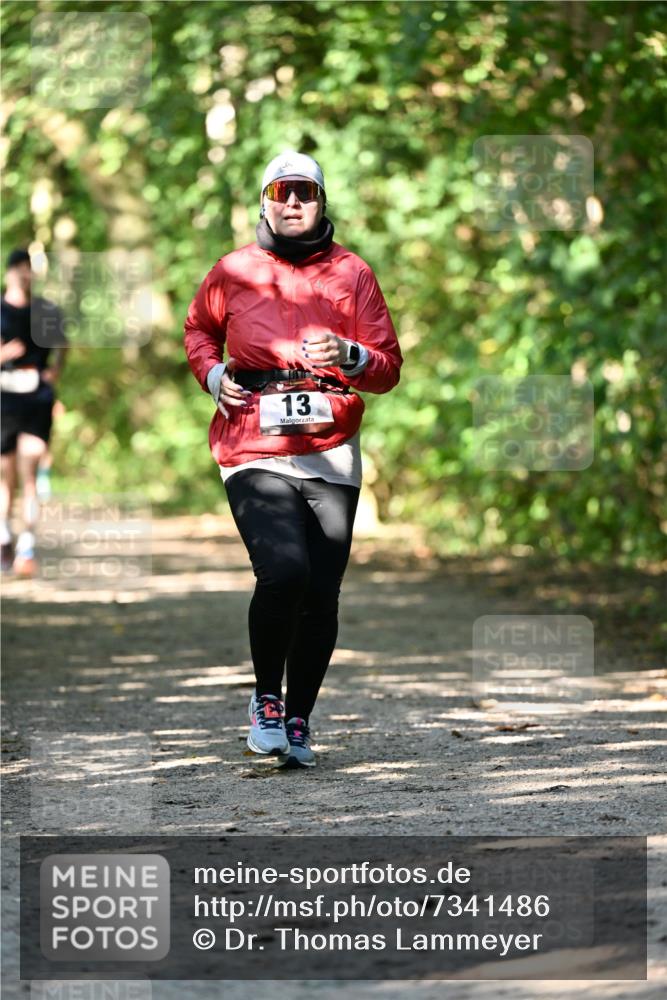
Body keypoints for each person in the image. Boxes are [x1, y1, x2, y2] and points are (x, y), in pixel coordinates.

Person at [184, 151, 402, 768]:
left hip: (330, 450)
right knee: (283, 571)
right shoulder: (233, 270)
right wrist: (213, 373)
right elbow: (198, 331)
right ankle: (266, 701)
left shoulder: (353, 273)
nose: (293, 201)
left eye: (305, 191)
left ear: (322, 201)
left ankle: (300, 718)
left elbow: (387, 369)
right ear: (264, 199)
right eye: (281, 190)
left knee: (322, 592)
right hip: (252, 442)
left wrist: (351, 354)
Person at [1, 249, 67, 576]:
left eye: (29, 269)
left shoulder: (46, 311)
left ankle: (26, 547)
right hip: (3, 401)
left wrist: (54, 371)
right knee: (5, 478)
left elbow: (63, 343)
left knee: (30, 473)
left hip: (36, 399)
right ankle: (3, 536)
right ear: (8, 273)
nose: (24, 275)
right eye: (18, 269)